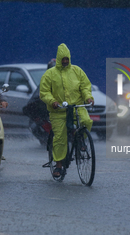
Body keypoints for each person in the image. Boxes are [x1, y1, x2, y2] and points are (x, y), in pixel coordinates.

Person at [40, 43, 94, 177]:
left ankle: (81, 139)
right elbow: (44, 92)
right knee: (59, 138)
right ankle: (58, 165)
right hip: (59, 111)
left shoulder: (77, 71)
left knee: (87, 121)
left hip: (76, 108)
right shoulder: (49, 74)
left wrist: (88, 97)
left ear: (69, 59)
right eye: (62, 59)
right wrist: (53, 102)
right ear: (58, 59)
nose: (65, 61)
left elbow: (85, 86)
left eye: (67, 59)